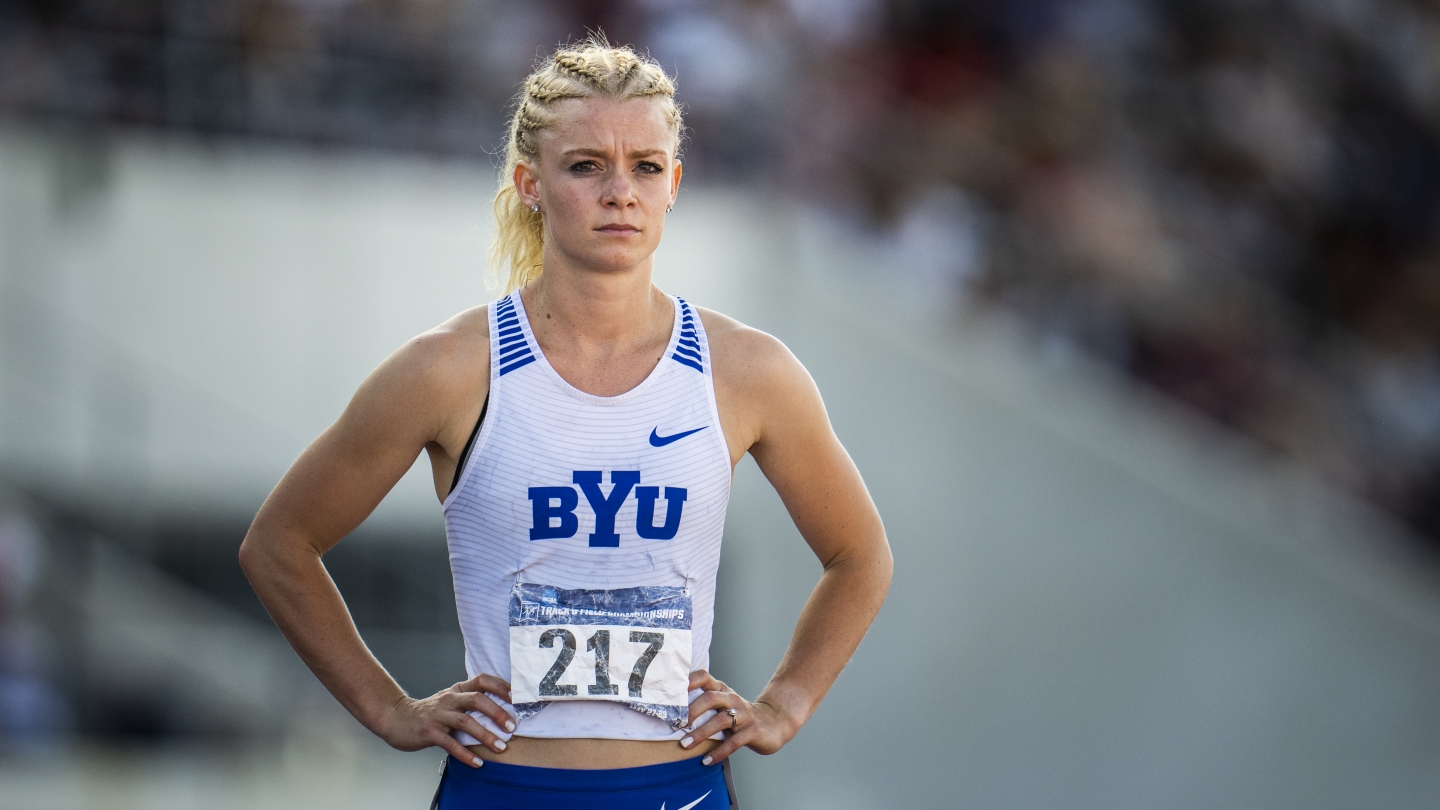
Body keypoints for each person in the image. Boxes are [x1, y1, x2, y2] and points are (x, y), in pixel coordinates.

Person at [239, 38, 891, 809]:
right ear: (530, 184)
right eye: (587, 165)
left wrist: (784, 704)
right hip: (502, 787)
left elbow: (860, 556)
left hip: (677, 787)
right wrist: (388, 709)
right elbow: (278, 545)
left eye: (646, 166)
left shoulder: (748, 371)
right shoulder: (448, 369)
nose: (622, 191)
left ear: (674, 183)